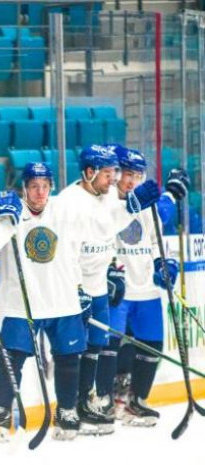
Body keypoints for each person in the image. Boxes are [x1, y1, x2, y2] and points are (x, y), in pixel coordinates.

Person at [0, 161, 160, 441]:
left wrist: (130, 208)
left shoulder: (64, 210)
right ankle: (1, 410)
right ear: (24, 189)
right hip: (21, 303)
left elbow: (102, 225)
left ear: (51, 187)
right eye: (34, 187)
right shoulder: (11, 213)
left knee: (68, 357)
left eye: (45, 186)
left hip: (62, 299)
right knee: (12, 357)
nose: (40, 192)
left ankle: (66, 410)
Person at [56, 144, 158, 435]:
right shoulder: (68, 203)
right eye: (108, 173)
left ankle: (87, 404)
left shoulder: (108, 195)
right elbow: (65, 250)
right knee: (71, 350)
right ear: (89, 173)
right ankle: (68, 409)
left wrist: (132, 207)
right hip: (74, 289)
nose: (114, 179)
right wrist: (76, 288)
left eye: (115, 172)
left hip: (99, 285)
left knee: (95, 347)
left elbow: (110, 225)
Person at [93, 146, 188, 426]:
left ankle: (137, 401)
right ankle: (103, 401)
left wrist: (164, 264)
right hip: (118, 289)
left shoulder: (146, 204)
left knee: (153, 344)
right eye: (126, 174)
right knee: (109, 345)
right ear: (116, 173)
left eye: (137, 175)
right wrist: (109, 269)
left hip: (145, 287)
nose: (131, 181)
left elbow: (156, 239)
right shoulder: (106, 201)